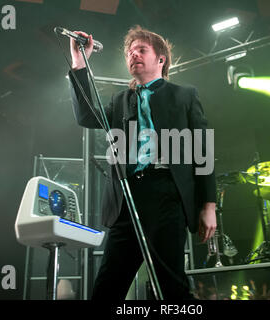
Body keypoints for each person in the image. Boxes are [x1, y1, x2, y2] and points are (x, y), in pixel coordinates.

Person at [68, 25, 217, 299]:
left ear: (160, 59)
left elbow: (203, 150)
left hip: (166, 194)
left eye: (141, 49)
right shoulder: (120, 100)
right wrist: (80, 61)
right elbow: (87, 116)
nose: (133, 54)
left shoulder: (184, 95)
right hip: (127, 198)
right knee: (107, 285)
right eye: (129, 52)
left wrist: (208, 205)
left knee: (171, 284)